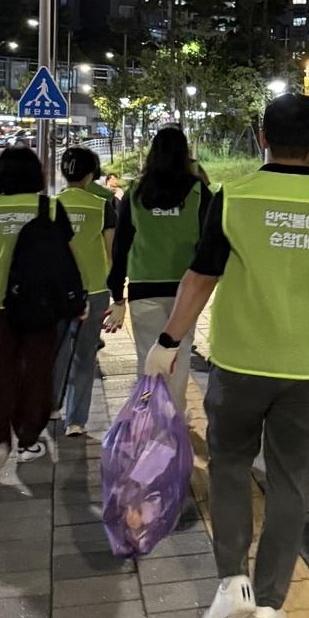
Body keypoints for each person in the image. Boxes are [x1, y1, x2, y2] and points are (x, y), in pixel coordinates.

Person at [147, 93, 309, 618]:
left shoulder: (234, 198)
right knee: (292, 481)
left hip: (240, 361)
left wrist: (169, 339)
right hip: (308, 366)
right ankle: (271, 605)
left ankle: (232, 580)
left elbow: (200, 278)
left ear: (263, 137)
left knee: (228, 467)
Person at [0, 146, 73, 481]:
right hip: (41, 305)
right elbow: (65, 253)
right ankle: (28, 440)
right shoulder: (51, 207)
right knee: (37, 374)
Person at [103, 127, 212, 416]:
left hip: (143, 288)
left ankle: (152, 420)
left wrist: (117, 296)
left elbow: (121, 246)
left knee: (148, 359)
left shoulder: (136, 193)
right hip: (186, 290)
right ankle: (173, 420)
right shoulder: (199, 192)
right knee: (179, 356)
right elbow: (210, 245)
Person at [52, 147, 117, 436]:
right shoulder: (102, 207)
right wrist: (118, 293)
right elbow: (111, 252)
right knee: (85, 354)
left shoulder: (49, 206)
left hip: (57, 291)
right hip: (95, 288)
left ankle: (52, 406)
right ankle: (76, 420)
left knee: (56, 351)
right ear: (91, 175)